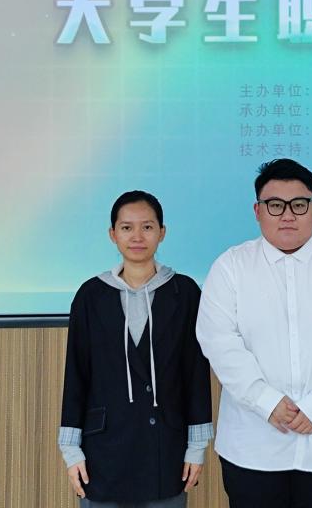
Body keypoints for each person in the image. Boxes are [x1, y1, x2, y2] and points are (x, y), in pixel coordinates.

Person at [196, 159, 312, 508]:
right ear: (257, 211)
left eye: (298, 205)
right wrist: (266, 402)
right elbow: (219, 342)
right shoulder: (230, 267)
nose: (287, 215)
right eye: (275, 205)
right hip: (253, 444)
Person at [59, 190, 213, 507]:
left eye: (147, 226)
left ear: (162, 232)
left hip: (166, 448)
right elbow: (76, 374)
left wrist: (196, 447)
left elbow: (196, 373)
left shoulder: (184, 292)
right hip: (103, 450)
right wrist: (71, 450)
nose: (137, 236)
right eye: (127, 227)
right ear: (113, 234)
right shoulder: (91, 295)